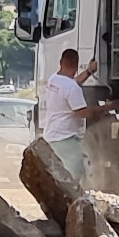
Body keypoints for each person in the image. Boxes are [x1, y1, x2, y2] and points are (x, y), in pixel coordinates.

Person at [34, 46, 94, 184]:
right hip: (65, 137)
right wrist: (105, 108)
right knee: (76, 174)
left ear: (61, 62)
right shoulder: (71, 88)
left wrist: (89, 71)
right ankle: (73, 201)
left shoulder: (54, 79)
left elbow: (72, 84)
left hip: (52, 134)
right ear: (76, 65)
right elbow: (82, 112)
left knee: (61, 173)